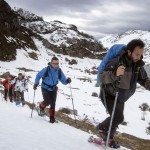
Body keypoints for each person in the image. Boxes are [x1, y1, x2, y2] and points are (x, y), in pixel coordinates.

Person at [96, 39, 150, 148]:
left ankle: (108, 138)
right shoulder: (117, 62)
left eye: (141, 55)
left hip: (121, 97)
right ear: (129, 52)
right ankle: (101, 128)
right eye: (136, 54)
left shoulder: (138, 65)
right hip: (109, 94)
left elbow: (144, 80)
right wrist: (115, 74)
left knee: (116, 118)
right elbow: (102, 77)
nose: (139, 57)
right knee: (118, 117)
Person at [33, 56, 71, 123]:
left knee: (53, 104)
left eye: (57, 63)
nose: (56, 65)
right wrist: (36, 83)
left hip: (53, 88)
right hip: (45, 87)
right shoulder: (46, 69)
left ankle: (52, 118)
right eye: (54, 63)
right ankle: (40, 107)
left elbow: (63, 80)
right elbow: (38, 75)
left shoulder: (59, 71)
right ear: (51, 63)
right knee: (47, 101)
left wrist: (67, 81)